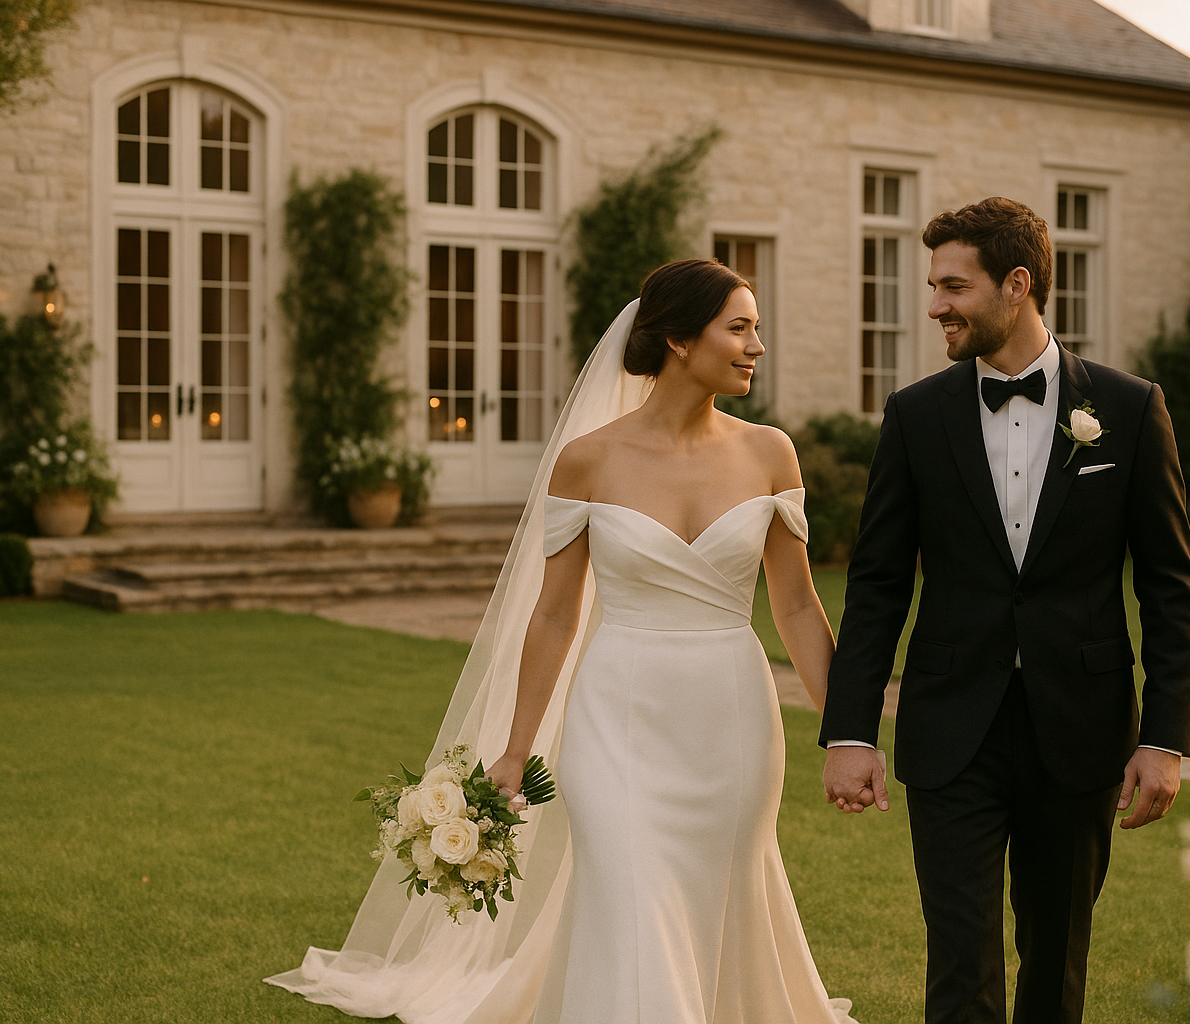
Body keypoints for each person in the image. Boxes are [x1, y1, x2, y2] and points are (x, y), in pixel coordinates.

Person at [268, 258, 856, 1024]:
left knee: (719, 894)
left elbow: (799, 608)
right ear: (679, 339)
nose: (757, 346)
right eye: (739, 327)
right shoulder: (588, 460)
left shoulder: (769, 453)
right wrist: (515, 747)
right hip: (618, 719)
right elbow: (553, 614)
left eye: (756, 329)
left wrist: (850, 732)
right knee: (632, 890)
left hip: (732, 719)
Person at [820, 197, 1190, 1024]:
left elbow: (1169, 585)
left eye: (953, 286)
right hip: (951, 728)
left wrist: (1164, 738)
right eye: (933, 286)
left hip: (1082, 726)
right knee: (960, 958)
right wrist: (851, 731)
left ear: (1017, 284)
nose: (934, 307)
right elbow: (879, 582)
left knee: (1057, 957)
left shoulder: (1131, 409)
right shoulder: (915, 415)